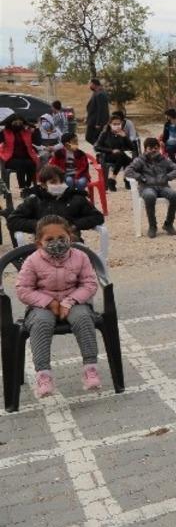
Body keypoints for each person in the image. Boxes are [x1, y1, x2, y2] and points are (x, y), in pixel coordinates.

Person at [16, 215, 101, 398]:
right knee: (41, 324)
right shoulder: (32, 261)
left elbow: (89, 284)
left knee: (83, 318)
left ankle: (90, 368)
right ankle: (43, 375)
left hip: (74, 301)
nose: (57, 243)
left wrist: (70, 301)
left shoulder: (80, 256)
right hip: (42, 305)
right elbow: (23, 289)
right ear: (39, 243)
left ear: (70, 236)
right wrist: (49, 302)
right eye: (50, 239)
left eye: (62, 238)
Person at [8, 165, 105, 239]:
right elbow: (13, 220)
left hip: (71, 242)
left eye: (62, 181)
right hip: (43, 244)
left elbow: (97, 217)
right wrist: (39, 225)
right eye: (53, 182)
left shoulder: (76, 198)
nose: (59, 184)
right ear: (43, 185)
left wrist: (74, 225)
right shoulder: (34, 199)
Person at [124, 138, 176, 238]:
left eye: (156, 148)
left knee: (175, 195)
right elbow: (128, 171)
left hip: (163, 186)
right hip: (146, 187)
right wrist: (140, 177)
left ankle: (168, 224)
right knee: (150, 196)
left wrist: (168, 177)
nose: (153, 150)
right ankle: (152, 226)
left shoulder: (164, 159)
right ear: (145, 149)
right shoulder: (140, 160)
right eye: (150, 148)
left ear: (159, 148)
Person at [94, 115, 136, 191]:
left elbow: (132, 148)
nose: (117, 126)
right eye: (114, 124)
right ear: (110, 124)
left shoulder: (122, 133)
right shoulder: (105, 134)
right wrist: (111, 150)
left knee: (124, 157)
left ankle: (113, 179)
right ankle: (124, 180)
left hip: (120, 157)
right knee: (125, 157)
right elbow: (96, 147)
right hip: (108, 156)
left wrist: (125, 137)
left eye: (119, 124)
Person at [0, 115, 40, 191]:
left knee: (31, 163)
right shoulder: (5, 132)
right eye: (15, 121)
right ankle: (23, 188)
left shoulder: (27, 132)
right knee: (20, 164)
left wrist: (36, 130)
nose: (18, 123)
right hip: (10, 159)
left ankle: (27, 186)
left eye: (20, 121)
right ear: (10, 122)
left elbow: (38, 142)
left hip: (26, 157)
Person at [84, 78, 109, 145]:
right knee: (95, 138)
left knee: (89, 137)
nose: (89, 86)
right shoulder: (96, 93)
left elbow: (101, 110)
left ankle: (101, 149)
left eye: (90, 84)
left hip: (96, 122)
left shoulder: (100, 94)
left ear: (94, 84)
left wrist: (98, 123)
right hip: (92, 120)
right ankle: (101, 149)